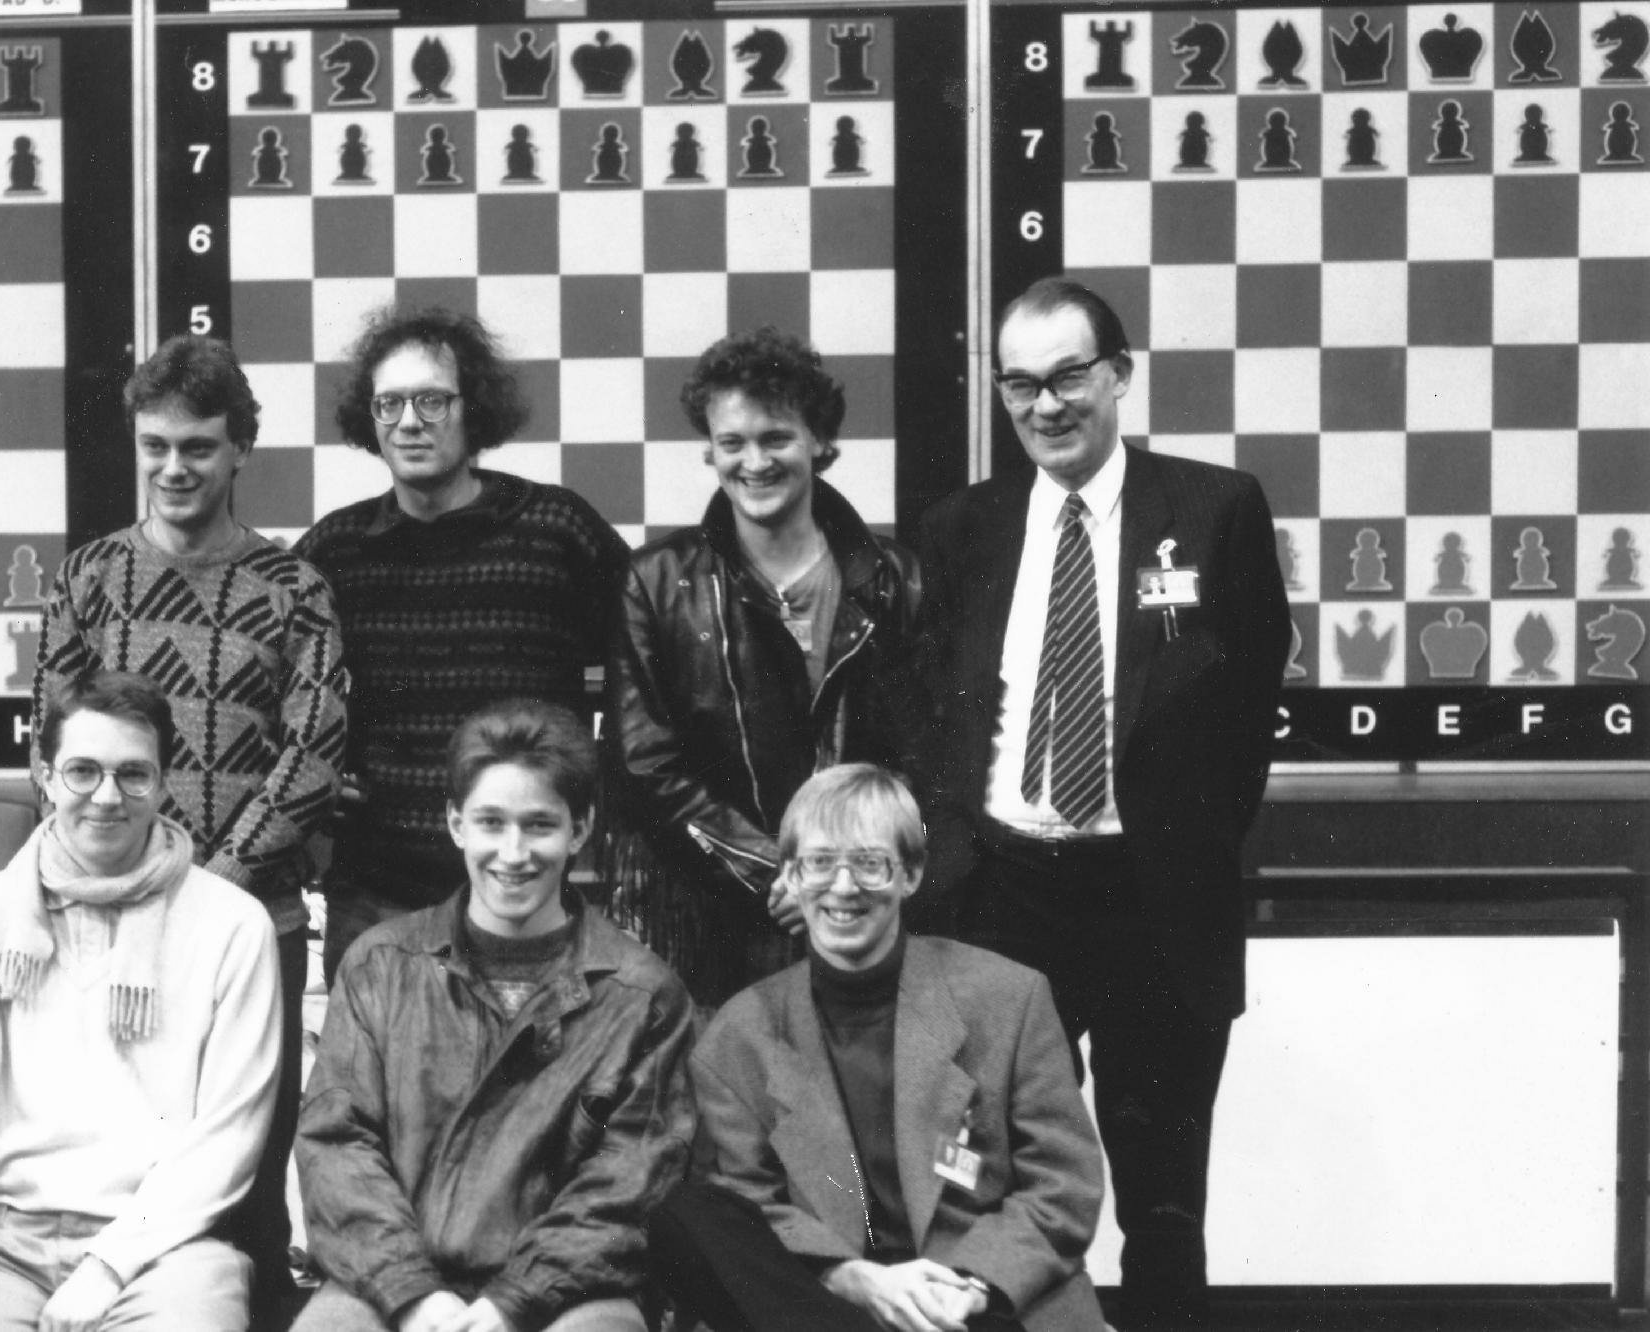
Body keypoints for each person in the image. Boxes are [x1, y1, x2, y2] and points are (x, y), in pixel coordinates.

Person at [909, 277, 1290, 1329]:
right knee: (983, 1190)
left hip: (1151, 902)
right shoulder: (959, 528)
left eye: (1069, 375)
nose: (1046, 405)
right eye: (1019, 384)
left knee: (1164, 1204)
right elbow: (936, 712)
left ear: (1117, 376)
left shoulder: (1213, 510)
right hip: (1003, 903)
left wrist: (1179, 835)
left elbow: (1247, 705)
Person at [30, 333, 348, 1326]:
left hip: (252, 929)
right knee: (112, 1173)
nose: (176, 468)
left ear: (238, 449)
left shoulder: (293, 588)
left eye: (199, 447)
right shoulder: (87, 580)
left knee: (244, 1190)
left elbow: (313, 754)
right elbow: (58, 755)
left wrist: (205, 887)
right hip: (107, 928)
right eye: (157, 445)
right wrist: (144, 885)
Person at [0, 671, 281, 1332]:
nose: (107, 796)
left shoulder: (233, 925)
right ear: (44, 777)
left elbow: (229, 1135)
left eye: (134, 774)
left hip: (165, 1248)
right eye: (82, 771)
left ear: (163, 782)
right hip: (2, 1245)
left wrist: (108, 1266)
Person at [648, 764, 1105, 1332]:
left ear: (909, 875)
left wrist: (966, 1288)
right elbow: (752, 1205)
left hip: (972, 1300)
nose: (843, 887)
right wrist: (855, 1280)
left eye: (869, 863)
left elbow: (1062, 1187)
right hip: (834, 1302)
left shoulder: (1009, 997)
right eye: (818, 863)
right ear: (789, 877)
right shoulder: (740, 1035)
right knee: (691, 1215)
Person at [294, 699, 695, 1332]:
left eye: (539, 825)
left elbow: (625, 1190)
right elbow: (337, 1148)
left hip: (565, 1294)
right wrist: (413, 1293)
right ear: (456, 824)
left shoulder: (643, 998)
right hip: (390, 1283)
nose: (513, 853)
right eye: (490, 822)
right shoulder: (380, 967)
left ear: (581, 829)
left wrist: (511, 1303)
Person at [293, 307, 629, 981]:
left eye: (432, 401)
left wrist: (602, 788)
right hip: (377, 893)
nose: (409, 422)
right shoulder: (336, 550)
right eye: (388, 404)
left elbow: (645, 673)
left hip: (523, 882)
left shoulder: (556, 531)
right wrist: (318, 779)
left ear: (474, 408)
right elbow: (287, 692)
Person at [605, 326, 920, 1007]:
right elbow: (643, 764)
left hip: (856, 911)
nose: (754, 461)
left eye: (776, 437)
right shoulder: (656, 580)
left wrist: (832, 873)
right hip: (707, 924)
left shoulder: (897, 580)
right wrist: (776, 870)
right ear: (710, 451)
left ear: (819, 442)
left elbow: (921, 753)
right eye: (732, 442)